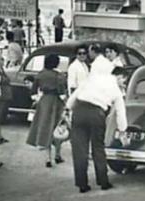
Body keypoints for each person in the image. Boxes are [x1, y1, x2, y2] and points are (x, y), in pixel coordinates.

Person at [65, 56, 128, 193]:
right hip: (97, 114)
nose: (124, 83)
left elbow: (73, 98)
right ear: (117, 76)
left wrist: (68, 110)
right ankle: (103, 181)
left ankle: (82, 184)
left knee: (80, 150)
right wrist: (122, 131)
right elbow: (120, 113)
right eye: (124, 80)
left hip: (79, 111)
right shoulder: (115, 89)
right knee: (98, 148)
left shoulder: (91, 79)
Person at [26, 54, 67, 167]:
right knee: (58, 128)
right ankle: (57, 155)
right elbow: (61, 91)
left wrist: (37, 99)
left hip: (44, 102)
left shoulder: (41, 74)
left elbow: (33, 91)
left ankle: (47, 158)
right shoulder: (59, 75)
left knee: (46, 128)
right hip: (56, 102)